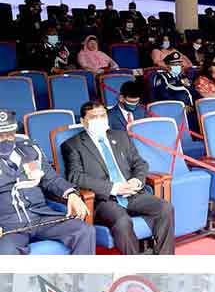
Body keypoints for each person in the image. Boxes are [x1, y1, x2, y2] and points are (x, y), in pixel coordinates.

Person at [62, 102, 175, 255]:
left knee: (165, 208)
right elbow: (75, 176)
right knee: (123, 222)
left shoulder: (120, 136)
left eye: (102, 116)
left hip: (131, 193)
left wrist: (137, 180)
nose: (99, 120)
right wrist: (114, 188)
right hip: (105, 199)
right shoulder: (73, 145)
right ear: (82, 121)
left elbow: (139, 163)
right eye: (93, 117)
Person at [0, 110, 94, 256]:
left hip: (42, 216)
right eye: (0, 136)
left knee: (84, 230)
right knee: (6, 252)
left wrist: (71, 194)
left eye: (10, 134)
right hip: (9, 225)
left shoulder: (29, 150)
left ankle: (81, 277)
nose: (6, 139)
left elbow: (51, 179)